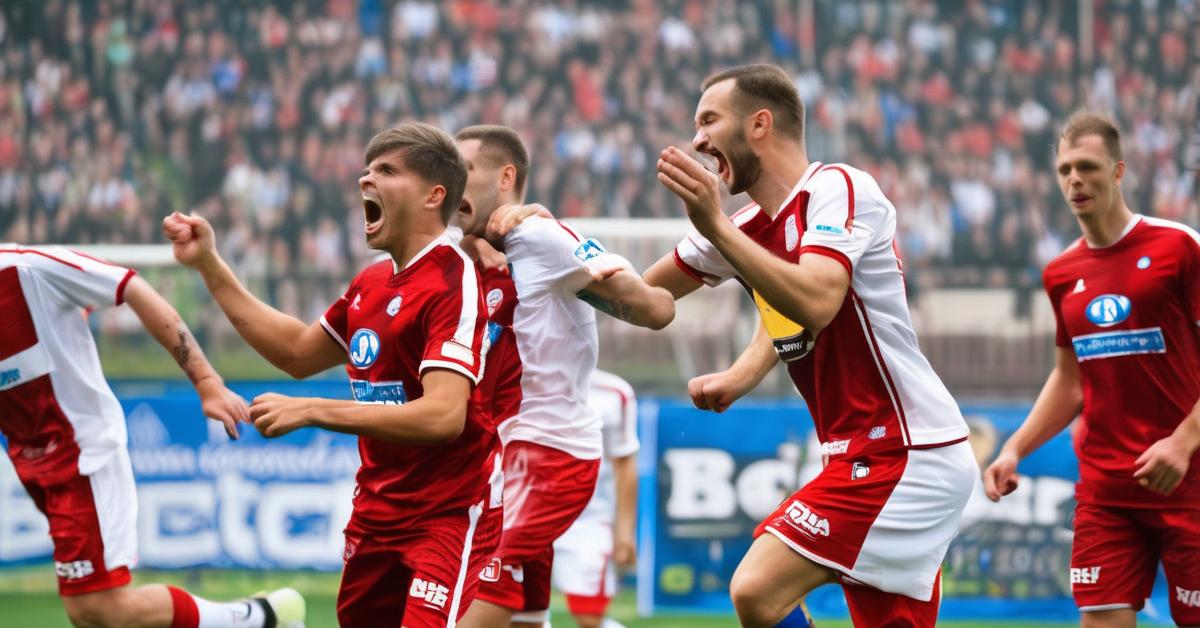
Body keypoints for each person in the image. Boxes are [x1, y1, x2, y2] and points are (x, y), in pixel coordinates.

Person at [645, 63, 975, 627]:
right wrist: (550, 252)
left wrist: (715, 227)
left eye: (709, 120)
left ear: (759, 124)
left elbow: (818, 299)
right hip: (864, 453)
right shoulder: (747, 229)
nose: (697, 139)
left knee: (756, 590)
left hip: (905, 451)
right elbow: (646, 296)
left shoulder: (837, 188)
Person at [163, 122, 508, 627]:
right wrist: (210, 265)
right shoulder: (372, 282)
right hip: (377, 511)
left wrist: (312, 410)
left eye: (386, 171)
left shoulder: (454, 281)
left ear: (434, 195)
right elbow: (297, 353)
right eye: (367, 170)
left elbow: (443, 416)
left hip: (446, 514)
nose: (366, 180)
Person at [0, 244, 303, 627]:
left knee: (98, 607)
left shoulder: (24, 269)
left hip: (83, 457)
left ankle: (258, 618)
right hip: (31, 463)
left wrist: (206, 381)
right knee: (92, 611)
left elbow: (132, 287)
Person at [450, 124, 674, 628]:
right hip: (501, 457)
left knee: (473, 586)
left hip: (550, 454)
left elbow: (657, 309)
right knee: (525, 617)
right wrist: (470, 242)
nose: (451, 182)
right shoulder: (465, 252)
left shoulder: (541, 237)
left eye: (464, 170)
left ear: (505, 177)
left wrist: (615, 284)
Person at [983, 112, 1200, 628]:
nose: (1075, 180)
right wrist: (1015, 448)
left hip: (1190, 480)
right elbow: (1070, 377)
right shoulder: (1061, 273)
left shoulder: (1179, 247)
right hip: (1107, 490)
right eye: (1065, 170)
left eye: (1088, 167)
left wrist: (1183, 442)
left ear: (1118, 171)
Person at [550, 369, 640, 628]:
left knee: (589, 618)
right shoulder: (522, 376)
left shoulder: (614, 393)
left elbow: (625, 463)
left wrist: (624, 534)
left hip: (587, 524)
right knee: (516, 613)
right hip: (523, 518)